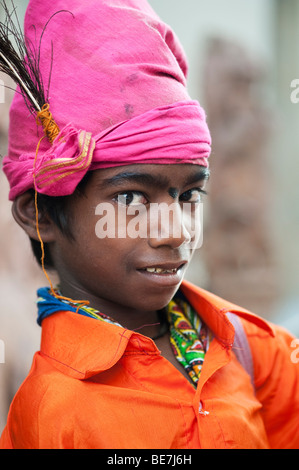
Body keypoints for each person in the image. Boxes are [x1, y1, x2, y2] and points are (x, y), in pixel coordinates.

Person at [0, 0, 298, 449]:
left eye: (189, 195)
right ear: (39, 213)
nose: (176, 230)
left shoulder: (248, 347)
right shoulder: (52, 413)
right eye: (131, 198)